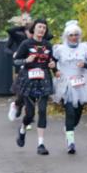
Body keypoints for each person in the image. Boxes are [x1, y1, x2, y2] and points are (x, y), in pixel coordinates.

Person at [52, 20, 87, 154]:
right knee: (70, 111)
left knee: (77, 114)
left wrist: (85, 65)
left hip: (81, 84)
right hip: (66, 83)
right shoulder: (59, 49)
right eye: (71, 35)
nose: (73, 37)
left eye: (76, 35)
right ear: (66, 36)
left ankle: (69, 128)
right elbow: (52, 63)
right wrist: (56, 72)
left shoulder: (85, 48)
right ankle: (70, 142)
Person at [13, 18, 55, 155]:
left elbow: (52, 61)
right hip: (28, 80)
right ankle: (22, 129)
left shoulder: (48, 45)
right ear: (34, 29)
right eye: (39, 27)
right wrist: (26, 60)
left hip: (44, 80)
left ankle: (41, 144)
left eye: (44, 27)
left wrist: (54, 67)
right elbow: (15, 61)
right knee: (30, 114)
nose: (41, 29)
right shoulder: (26, 44)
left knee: (42, 111)